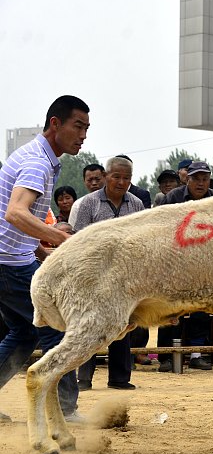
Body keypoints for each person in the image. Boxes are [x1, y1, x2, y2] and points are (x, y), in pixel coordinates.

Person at [0, 95, 89, 424]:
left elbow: (12, 222)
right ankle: (65, 410)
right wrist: (61, 239)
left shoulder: (39, 158)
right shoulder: (37, 163)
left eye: (87, 129)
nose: (83, 136)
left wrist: (41, 251)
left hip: (11, 259)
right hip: (9, 264)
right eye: (77, 126)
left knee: (25, 333)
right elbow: (15, 213)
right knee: (57, 328)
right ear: (55, 124)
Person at [71, 156, 145, 390]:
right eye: (116, 177)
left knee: (123, 325)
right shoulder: (88, 203)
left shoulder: (136, 204)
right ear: (105, 176)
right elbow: (78, 239)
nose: (121, 182)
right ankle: (84, 378)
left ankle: (120, 378)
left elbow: (143, 239)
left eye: (126, 178)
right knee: (89, 325)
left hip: (125, 276)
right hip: (95, 274)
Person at [158, 161, 213, 371]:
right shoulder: (172, 198)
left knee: (200, 308)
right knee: (170, 309)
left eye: (205, 179)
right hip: (174, 262)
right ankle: (166, 356)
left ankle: (196, 353)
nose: (201, 183)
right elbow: (160, 227)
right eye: (196, 179)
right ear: (187, 179)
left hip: (204, 264)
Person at [66, 162, 105, 227]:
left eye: (97, 179)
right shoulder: (78, 205)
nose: (94, 183)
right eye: (90, 180)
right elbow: (72, 229)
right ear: (84, 181)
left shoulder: (117, 200)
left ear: (105, 178)